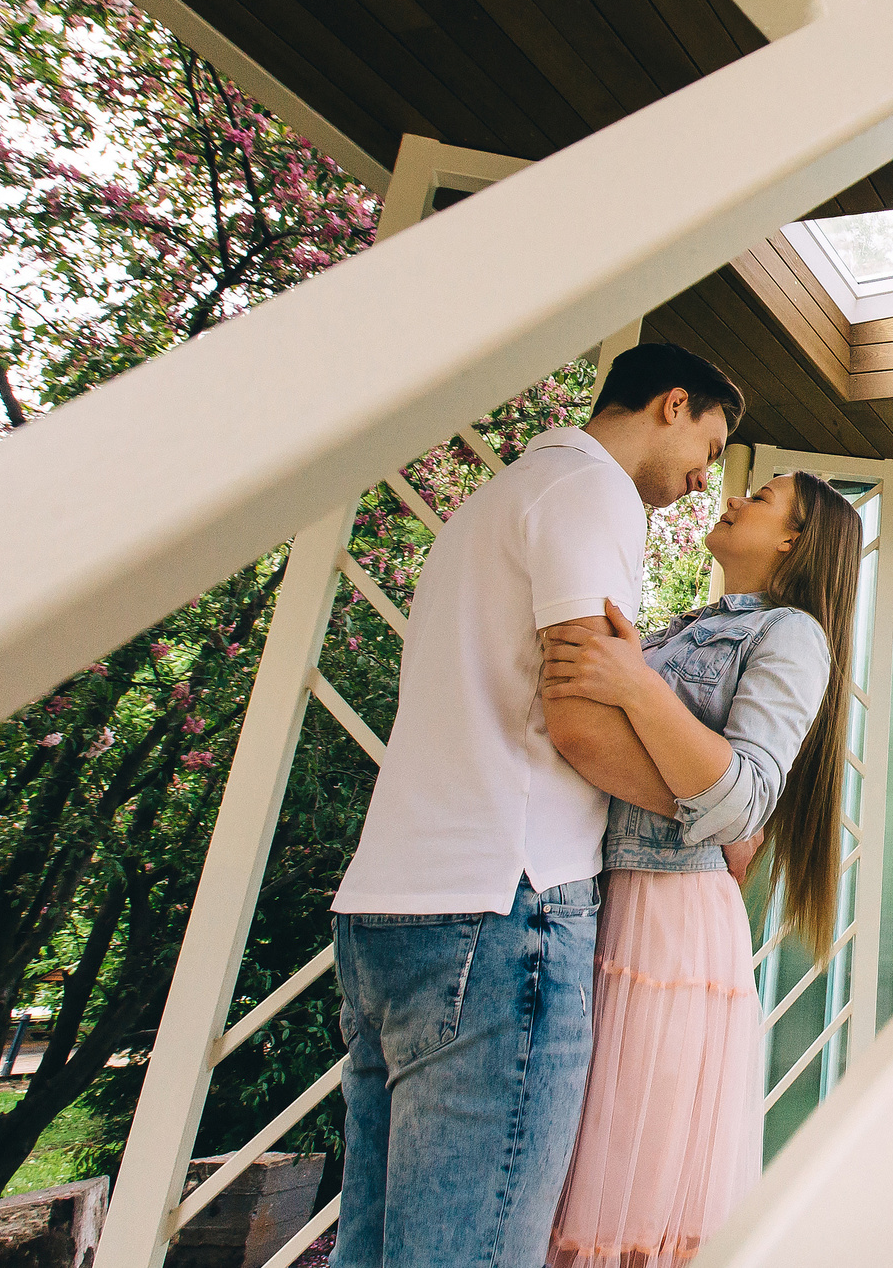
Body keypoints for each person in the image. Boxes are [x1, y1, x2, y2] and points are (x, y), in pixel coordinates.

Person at [327, 343, 743, 1268]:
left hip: (386, 912)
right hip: (497, 908)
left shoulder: (494, 501)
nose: (701, 480)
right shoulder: (594, 492)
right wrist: (711, 814)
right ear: (672, 404)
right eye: (709, 450)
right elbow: (582, 723)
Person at [536, 468, 865, 1268]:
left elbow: (742, 801)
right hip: (602, 902)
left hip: (669, 929)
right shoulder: (692, 624)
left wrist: (635, 685)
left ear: (794, 537)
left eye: (762, 495)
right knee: (567, 1169)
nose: (734, 494)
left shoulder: (793, 635)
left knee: (621, 1187)